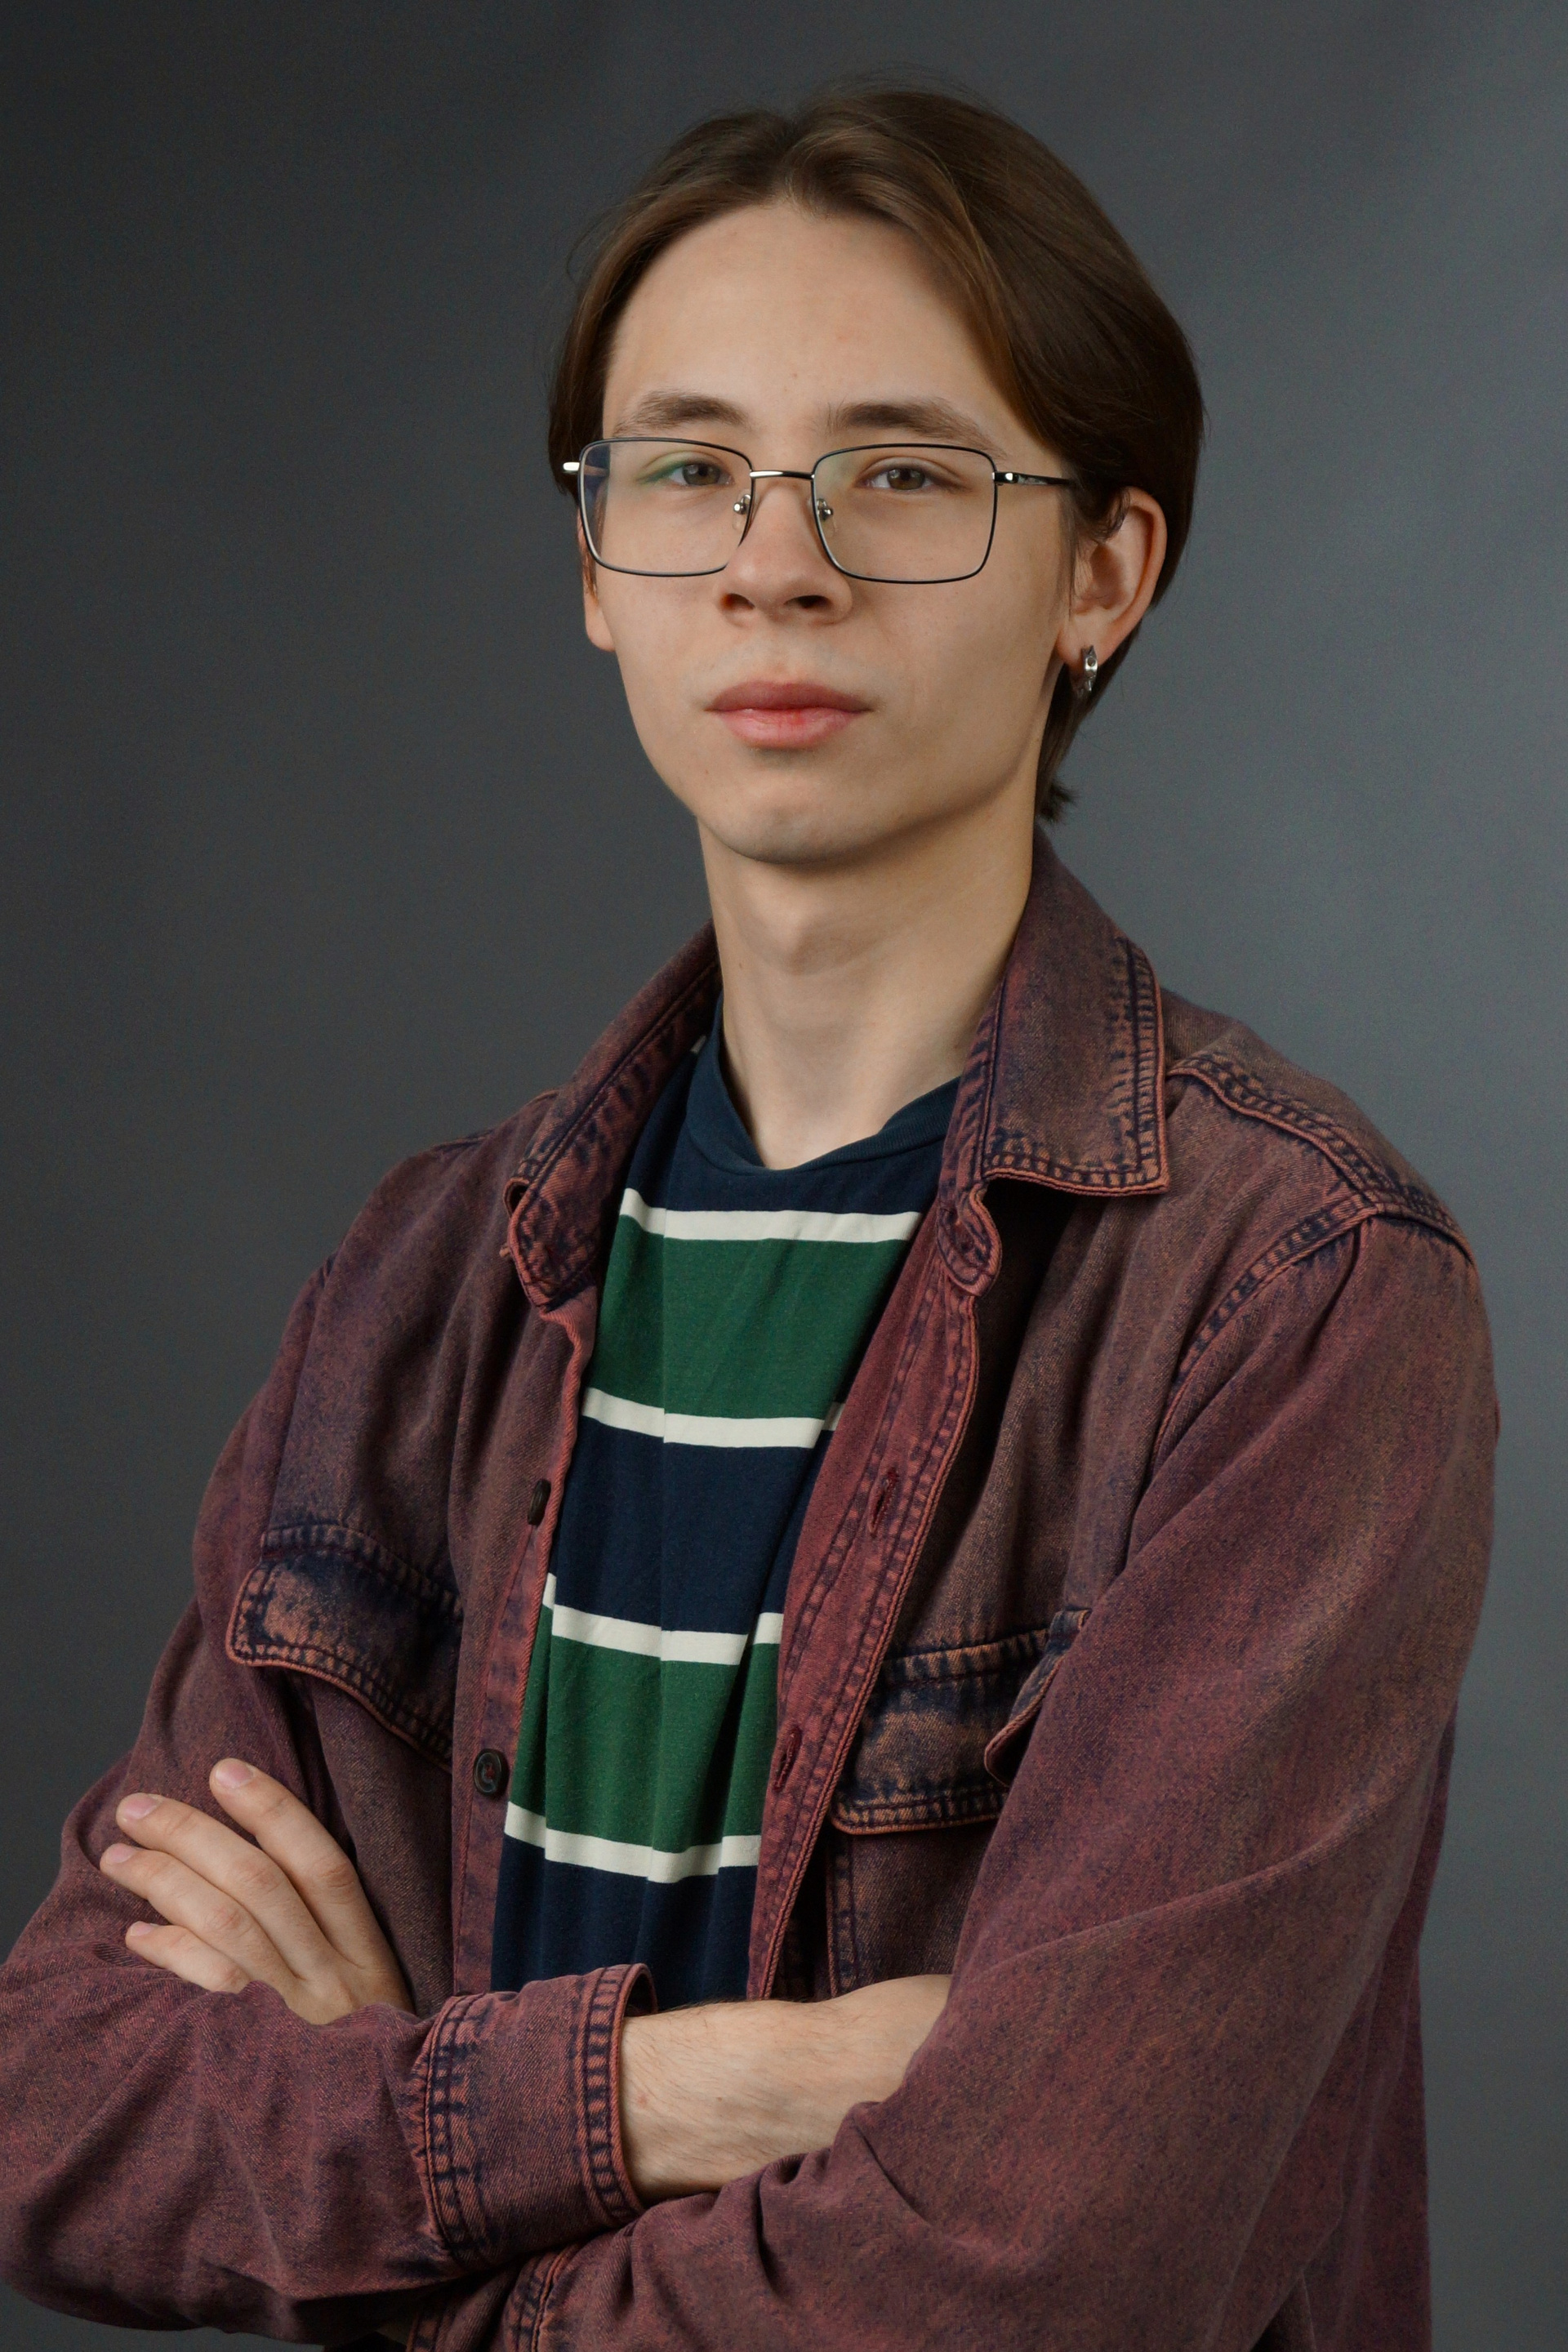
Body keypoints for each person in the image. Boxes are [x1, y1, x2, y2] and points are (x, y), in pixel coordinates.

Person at [0, 87, 1494, 2352]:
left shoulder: (1292, 1295)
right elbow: (59, 2104)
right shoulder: (425, 1285)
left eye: (902, 474)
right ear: (599, 570)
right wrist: (678, 2092)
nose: (774, 563)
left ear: (1103, 573)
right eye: (688, 470)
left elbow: (1040, 2273)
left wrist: (395, 2195)